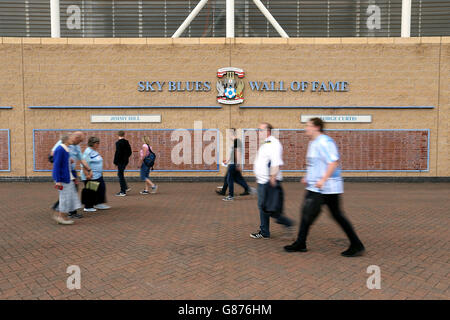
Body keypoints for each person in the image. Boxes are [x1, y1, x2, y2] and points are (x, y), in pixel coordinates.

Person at [284, 118, 365, 257]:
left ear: (316, 127)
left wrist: (323, 180)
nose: (306, 129)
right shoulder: (313, 143)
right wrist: (307, 177)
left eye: (308, 126)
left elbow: (333, 162)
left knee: (327, 215)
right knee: (310, 214)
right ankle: (301, 243)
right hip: (315, 187)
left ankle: (356, 244)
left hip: (327, 187)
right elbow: (314, 165)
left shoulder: (325, 142)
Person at [250, 122, 294, 239]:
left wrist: (272, 178)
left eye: (260, 130)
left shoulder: (273, 143)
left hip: (268, 182)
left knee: (269, 208)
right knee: (263, 207)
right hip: (263, 181)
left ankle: (287, 223)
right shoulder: (266, 143)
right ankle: (264, 231)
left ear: (267, 131)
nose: (258, 132)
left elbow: (275, 161)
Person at [50, 131, 92, 219]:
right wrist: (58, 180)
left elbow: (81, 159)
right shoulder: (61, 147)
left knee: (70, 192)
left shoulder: (74, 147)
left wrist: (88, 169)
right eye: (80, 141)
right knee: (66, 195)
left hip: (70, 172)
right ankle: (63, 214)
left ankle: (64, 213)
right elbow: (55, 160)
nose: (79, 143)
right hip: (63, 173)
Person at [52, 135, 82, 225]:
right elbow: (56, 165)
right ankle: (61, 217)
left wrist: (74, 177)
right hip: (62, 179)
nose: (72, 140)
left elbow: (67, 166)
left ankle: (63, 217)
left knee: (68, 197)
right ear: (66, 140)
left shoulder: (66, 149)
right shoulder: (60, 149)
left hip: (67, 178)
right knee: (64, 198)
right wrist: (58, 180)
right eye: (70, 139)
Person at [219, 128, 254, 201]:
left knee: (229, 179)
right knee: (237, 179)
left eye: (228, 134)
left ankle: (231, 196)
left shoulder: (237, 141)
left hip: (233, 164)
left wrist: (238, 164)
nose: (228, 135)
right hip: (233, 163)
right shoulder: (235, 142)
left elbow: (238, 153)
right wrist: (227, 161)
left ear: (231, 134)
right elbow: (233, 153)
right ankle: (248, 189)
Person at [80, 136, 111, 212]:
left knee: (101, 189)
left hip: (98, 175)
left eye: (98, 143)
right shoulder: (88, 151)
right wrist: (87, 174)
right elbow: (83, 164)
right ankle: (88, 206)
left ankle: (99, 203)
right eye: (97, 143)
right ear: (92, 143)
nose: (98, 144)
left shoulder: (94, 151)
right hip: (91, 176)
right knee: (91, 191)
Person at [114, 130, 132, 196]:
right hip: (125, 161)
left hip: (120, 161)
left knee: (120, 175)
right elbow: (130, 152)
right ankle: (125, 187)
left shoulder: (118, 143)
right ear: (124, 135)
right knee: (120, 174)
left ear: (118, 135)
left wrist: (115, 161)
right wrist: (126, 158)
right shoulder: (127, 142)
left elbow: (118, 153)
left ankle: (122, 191)